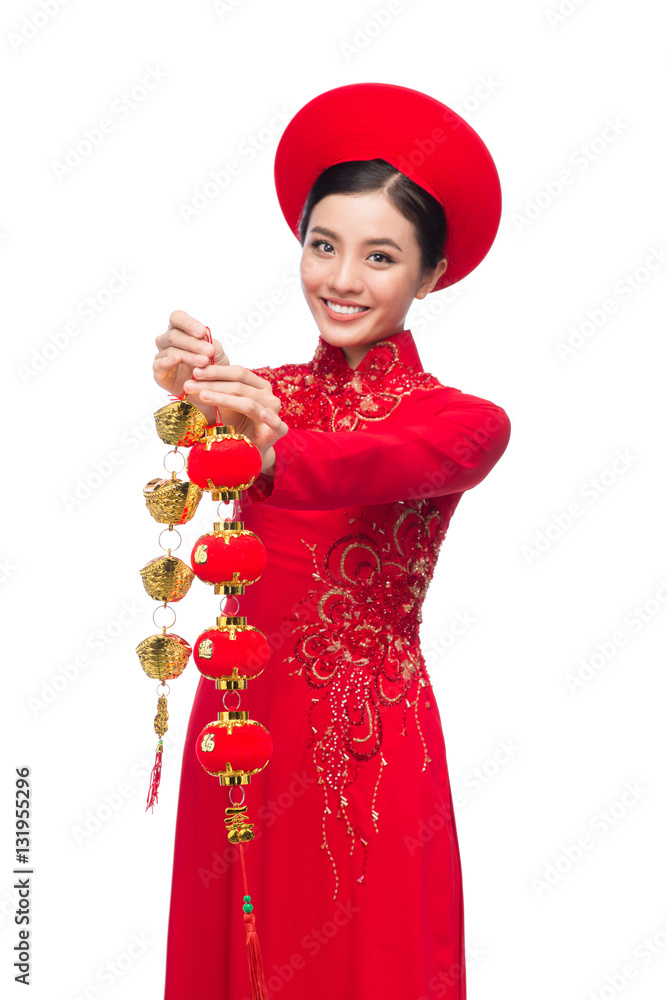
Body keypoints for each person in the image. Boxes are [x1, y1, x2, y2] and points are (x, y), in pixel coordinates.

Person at [154, 83, 511, 1000]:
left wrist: (271, 445)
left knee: (370, 960)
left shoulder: (463, 422)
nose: (341, 280)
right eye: (323, 245)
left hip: (364, 742)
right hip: (239, 719)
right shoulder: (262, 386)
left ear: (428, 275)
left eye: (379, 256)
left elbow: (359, 466)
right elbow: (218, 469)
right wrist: (194, 393)